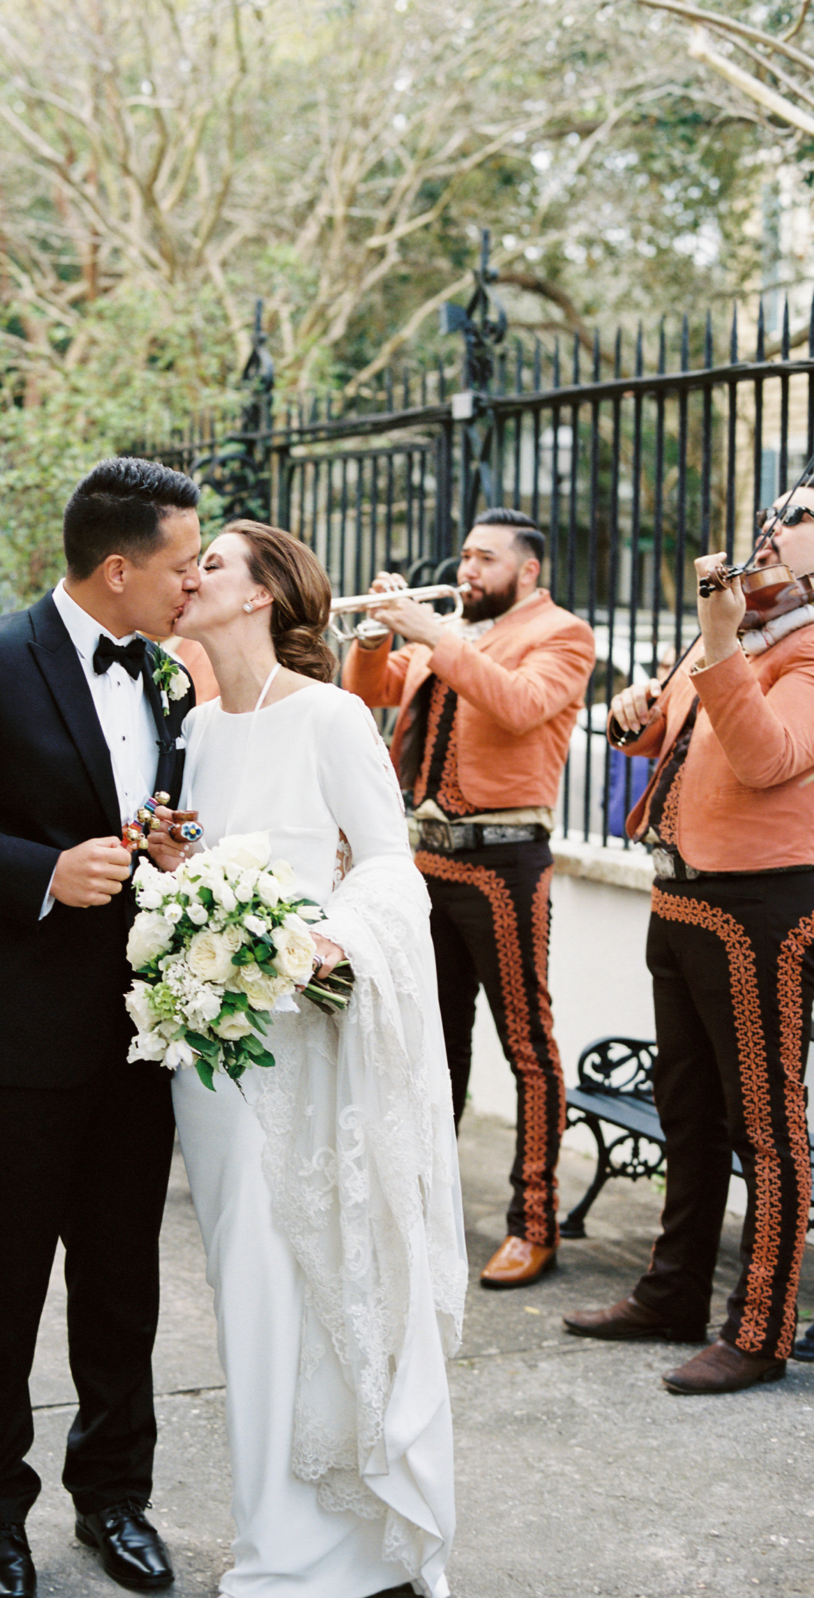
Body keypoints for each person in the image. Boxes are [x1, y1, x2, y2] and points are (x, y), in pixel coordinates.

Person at [0, 458, 201, 1598]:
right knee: (2, 1281)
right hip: (10, 1031)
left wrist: (165, 850)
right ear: (118, 568)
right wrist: (45, 871)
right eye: (181, 565)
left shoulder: (168, 677)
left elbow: (143, 814)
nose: (194, 584)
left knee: (123, 1280)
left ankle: (116, 1497)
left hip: (133, 1028)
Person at [169, 519, 467, 1598]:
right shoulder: (196, 727)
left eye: (210, 562)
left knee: (311, 1268)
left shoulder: (334, 714)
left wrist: (330, 941)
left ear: (261, 596)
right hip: (210, 1044)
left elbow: (391, 862)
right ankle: (278, 1532)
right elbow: (194, 863)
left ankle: (323, 1546)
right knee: (241, 1278)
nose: (189, 574)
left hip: (306, 1027)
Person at [563, 487, 814, 1395]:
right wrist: (640, 712)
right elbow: (668, 734)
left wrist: (716, 643)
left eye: (800, 519)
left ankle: (761, 1330)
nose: (774, 530)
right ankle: (672, 1296)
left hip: (761, 909)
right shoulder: (742, 630)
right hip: (681, 896)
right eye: (775, 515)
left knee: (767, 1124)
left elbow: (768, 759)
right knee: (687, 1111)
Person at [342, 508, 595, 1289]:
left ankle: (535, 1222)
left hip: (504, 861)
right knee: (432, 1041)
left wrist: (430, 632)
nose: (467, 570)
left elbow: (518, 705)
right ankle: (424, 1200)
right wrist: (381, 634)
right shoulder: (449, 633)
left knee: (527, 1045)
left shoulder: (563, 635)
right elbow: (371, 693)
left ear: (528, 571)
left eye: (485, 559)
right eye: (465, 555)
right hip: (427, 859)